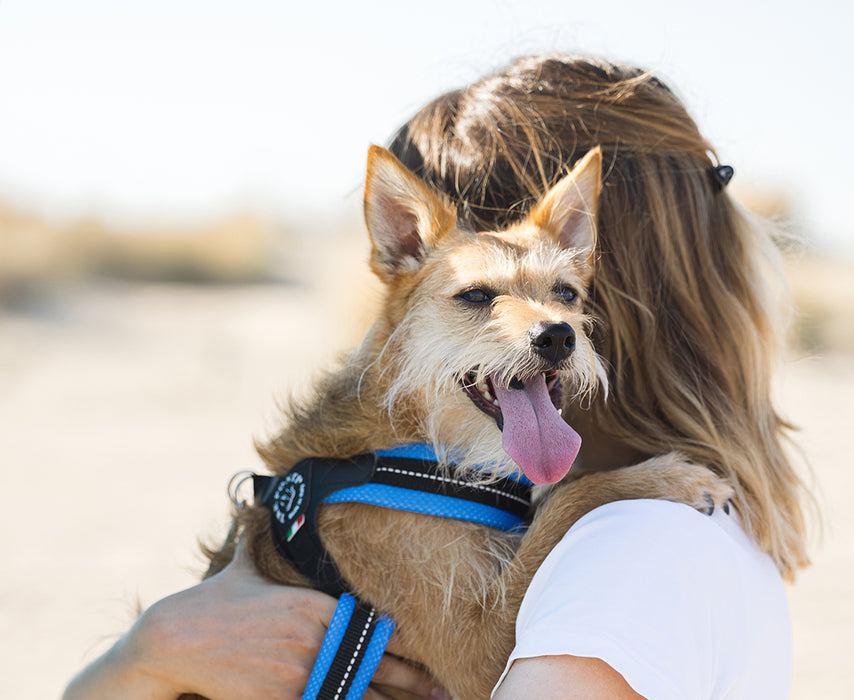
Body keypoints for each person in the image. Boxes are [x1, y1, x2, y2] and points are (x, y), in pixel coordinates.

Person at [64, 54, 813, 699]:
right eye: (477, 297)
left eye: (564, 294)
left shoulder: (633, 548)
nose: (546, 322)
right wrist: (149, 653)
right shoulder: (694, 524)